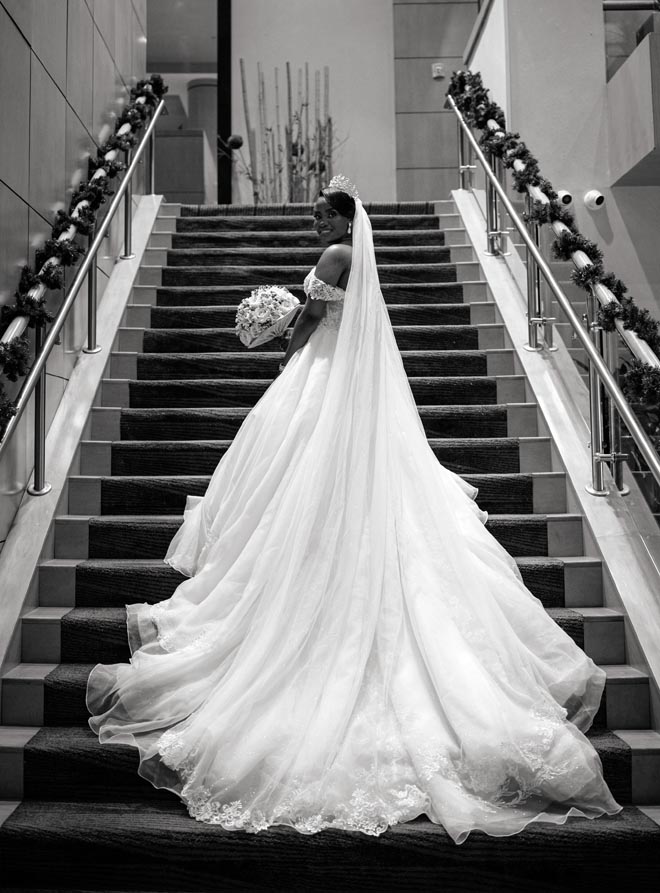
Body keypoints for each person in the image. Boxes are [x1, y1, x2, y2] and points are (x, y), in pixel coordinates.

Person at [87, 176, 621, 842]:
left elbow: (311, 318)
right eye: (314, 213)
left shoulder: (338, 256)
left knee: (293, 472)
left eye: (322, 213)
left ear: (345, 219)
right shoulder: (353, 256)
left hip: (324, 376)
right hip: (338, 375)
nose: (314, 221)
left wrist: (280, 332)